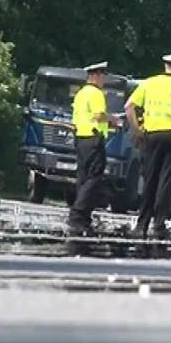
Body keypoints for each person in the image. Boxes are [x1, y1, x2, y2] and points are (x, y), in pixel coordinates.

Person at [125, 53, 171, 239]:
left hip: (151, 137)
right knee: (166, 181)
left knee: (149, 180)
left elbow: (129, 107)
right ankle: (158, 225)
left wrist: (136, 130)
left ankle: (141, 225)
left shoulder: (149, 83)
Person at [68, 61, 121, 235]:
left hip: (80, 137)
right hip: (93, 138)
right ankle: (78, 213)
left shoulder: (81, 93)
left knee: (83, 178)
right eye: (102, 75)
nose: (104, 79)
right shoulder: (96, 93)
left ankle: (83, 218)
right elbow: (98, 116)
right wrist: (113, 119)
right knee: (94, 178)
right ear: (95, 75)